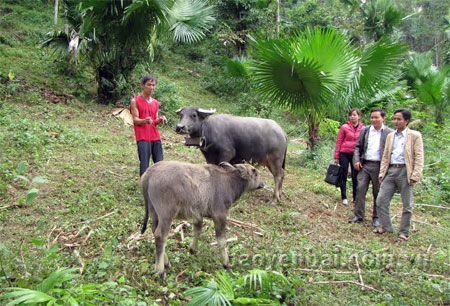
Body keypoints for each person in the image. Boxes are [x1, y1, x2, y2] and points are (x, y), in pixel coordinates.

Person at [373, 109, 424, 241]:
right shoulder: (391, 136)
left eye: (399, 119)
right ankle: (386, 226)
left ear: (406, 121)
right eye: (394, 119)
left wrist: (415, 174)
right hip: (390, 171)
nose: (396, 121)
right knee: (381, 201)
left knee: (407, 204)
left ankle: (404, 232)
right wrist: (382, 172)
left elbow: (419, 156)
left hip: (405, 172)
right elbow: (385, 155)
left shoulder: (414, 136)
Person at [349, 108, 393, 227]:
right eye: (372, 117)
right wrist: (356, 160)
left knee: (377, 192)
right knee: (360, 189)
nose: (373, 120)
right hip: (365, 164)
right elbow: (357, 146)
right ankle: (358, 216)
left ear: (383, 118)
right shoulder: (366, 130)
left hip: (380, 166)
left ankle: (376, 217)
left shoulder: (389, 133)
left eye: (376, 117)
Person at [130, 74, 167, 176]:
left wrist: (160, 119)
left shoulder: (156, 103)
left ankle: (160, 184)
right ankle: (144, 186)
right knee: (144, 164)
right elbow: (135, 120)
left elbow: (154, 121)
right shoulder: (135, 101)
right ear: (142, 85)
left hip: (155, 136)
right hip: (142, 137)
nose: (151, 87)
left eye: (153, 85)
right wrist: (144, 121)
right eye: (149, 85)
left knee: (160, 163)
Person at [334, 108, 364, 206]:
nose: (352, 117)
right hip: (344, 153)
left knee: (356, 176)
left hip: (356, 154)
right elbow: (339, 141)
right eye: (351, 115)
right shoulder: (344, 127)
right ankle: (344, 197)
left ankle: (355, 198)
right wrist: (336, 155)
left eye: (355, 115)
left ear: (359, 116)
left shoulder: (363, 128)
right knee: (343, 174)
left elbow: (364, 143)